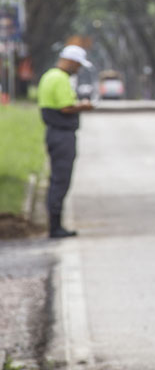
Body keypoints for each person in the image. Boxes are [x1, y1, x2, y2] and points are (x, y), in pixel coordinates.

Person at [37, 45, 94, 238]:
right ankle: (55, 227)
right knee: (61, 180)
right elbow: (66, 107)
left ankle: (55, 224)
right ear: (70, 61)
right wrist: (84, 106)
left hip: (55, 133)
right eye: (77, 65)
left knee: (57, 179)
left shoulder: (49, 75)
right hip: (62, 135)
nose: (78, 69)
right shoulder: (60, 78)